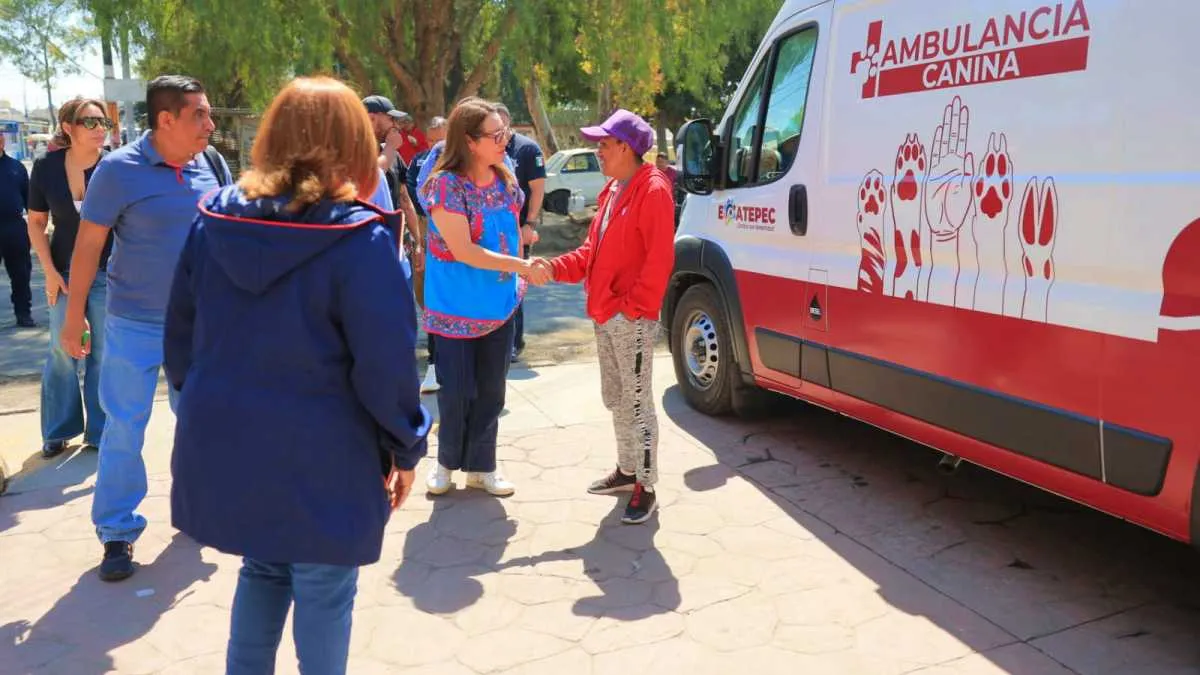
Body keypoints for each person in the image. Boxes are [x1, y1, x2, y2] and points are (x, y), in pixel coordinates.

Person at [164, 75, 430, 675]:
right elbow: (386, 366)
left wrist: (208, 406)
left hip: (232, 439)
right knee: (325, 586)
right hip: (326, 453)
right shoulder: (357, 239)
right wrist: (407, 445)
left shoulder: (212, 222)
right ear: (352, 143)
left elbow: (179, 340)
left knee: (262, 568)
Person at [61, 75, 233, 582]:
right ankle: (116, 531)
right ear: (166, 120)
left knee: (200, 423)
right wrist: (73, 320)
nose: (210, 123)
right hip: (133, 322)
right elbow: (89, 246)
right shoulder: (117, 170)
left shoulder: (212, 164)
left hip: (198, 324)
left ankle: (197, 509)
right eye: (199, 114)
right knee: (124, 426)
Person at [535, 109, 675, 524]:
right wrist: (553, 268)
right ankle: (626, 470)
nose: (597, 150)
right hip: (605, 313)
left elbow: (659, 260)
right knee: (616, 399)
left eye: (604, 143)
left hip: (628, 317)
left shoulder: (652, 190)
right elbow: (590, 254)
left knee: (637, 402)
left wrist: (632, 306)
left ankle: (645, 486)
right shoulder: (614, 190)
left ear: (628, 148)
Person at [419, 97, 548, 497]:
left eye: (505, 133)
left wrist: (525, 251)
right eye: (495, 135)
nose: (504, 141)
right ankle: (445, 464)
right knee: (457, 391)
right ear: (470, 141)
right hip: (456, 307)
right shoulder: (445, 185)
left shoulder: (506, 175)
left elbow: (511, 228)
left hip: (498, 304)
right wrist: (522, 267)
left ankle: (483, 466)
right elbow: (465, 251)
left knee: (492, 390)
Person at [27, 97, 114, 458]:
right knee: (63, 351)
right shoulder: (46, 167)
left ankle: (100, 430)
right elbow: (35, 223)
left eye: (103, 123)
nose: (99, 129)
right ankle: (58, 430)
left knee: (104, 354)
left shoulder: (115, 166)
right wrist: (48, 271)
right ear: (68, 127)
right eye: (90, 122)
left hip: (110, 273)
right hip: (62, 274)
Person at [494, 104, 546, 362]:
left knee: (515, 283)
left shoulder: (527, 149)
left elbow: (537, 190)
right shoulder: (488, 148)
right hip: (493, 231)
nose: (498, 133)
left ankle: (515, 342)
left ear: (509, 122)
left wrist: (531, 224)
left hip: (519, 230)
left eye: (501, 126)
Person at [406, 116, 448, 393]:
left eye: (440, 139)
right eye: (431, 141)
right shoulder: (419, 163)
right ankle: (435, 362)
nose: (434, 147)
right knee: (428, 298)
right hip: (427, 226)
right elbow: (410, 193)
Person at [362, 95, 422, 267]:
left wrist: (418, 242)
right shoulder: (353, 151)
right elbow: (371, 178)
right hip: (370, 243)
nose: (396, 126)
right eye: (391, 119)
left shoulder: (393, 154)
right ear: (371, 118)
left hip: (399, 245)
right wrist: (389, 147)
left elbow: (404, 199)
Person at [0, 131, 34, 328]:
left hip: (14, 228)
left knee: (21, 274)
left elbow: (30, 200)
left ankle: (24, 313)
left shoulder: (16, 167)